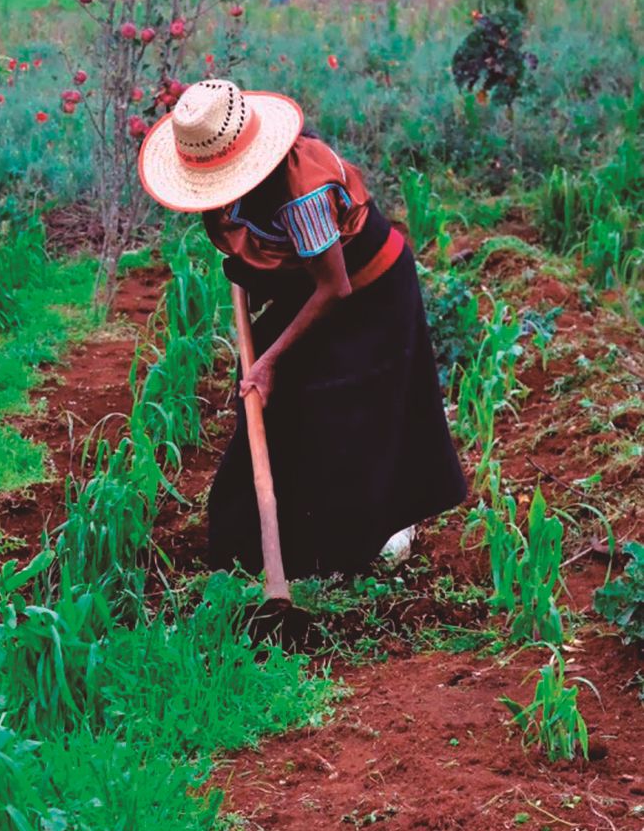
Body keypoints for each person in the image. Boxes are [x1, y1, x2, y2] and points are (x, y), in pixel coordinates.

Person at [137, 79, 467, 580]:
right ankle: (257, 544)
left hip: (369, 291)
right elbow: (270, 251)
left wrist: (269, 360)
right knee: (277, 404)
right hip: (313, 288)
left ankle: (362, 543)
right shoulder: (235, 185)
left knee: (347, 414)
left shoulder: (302, 194)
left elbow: (334, 288)